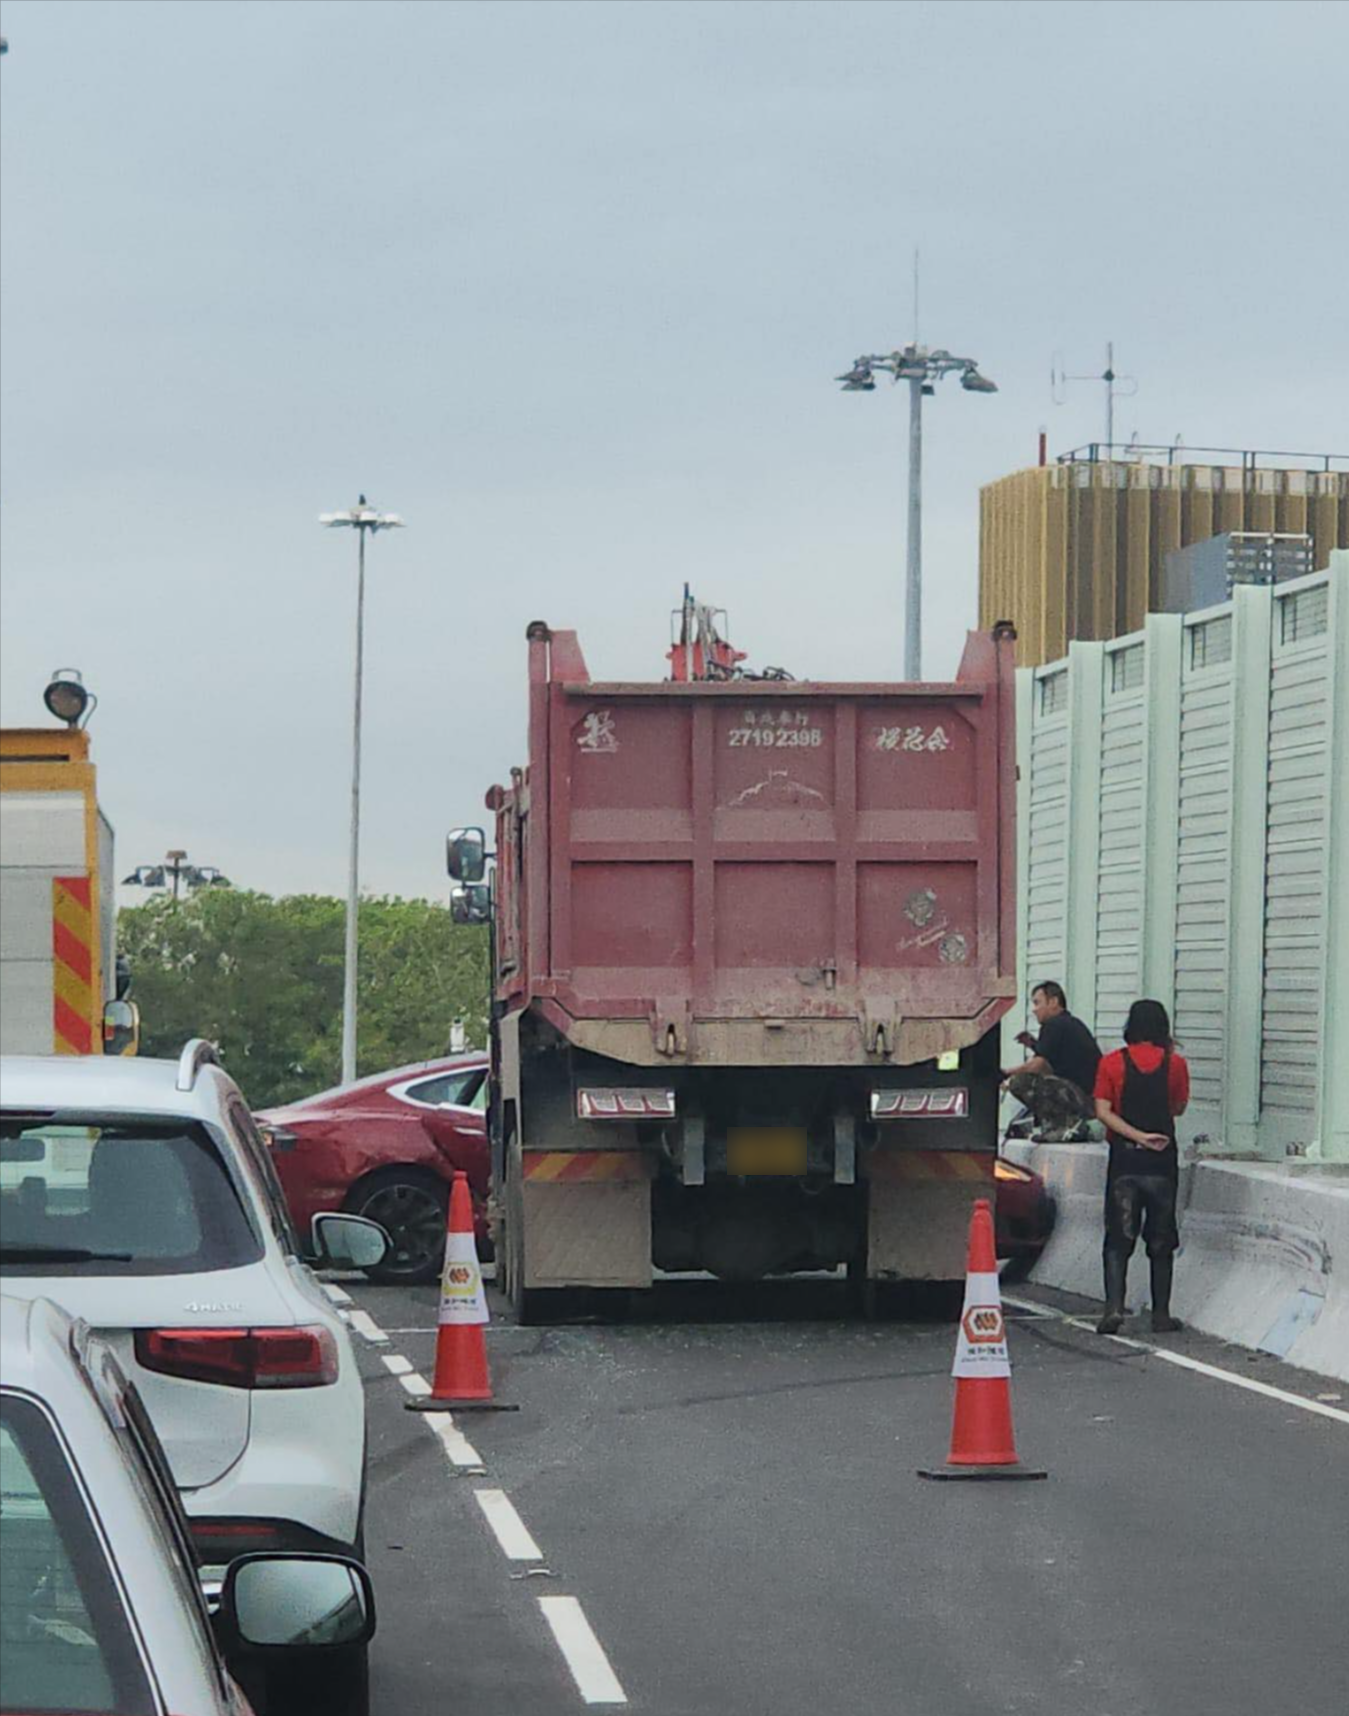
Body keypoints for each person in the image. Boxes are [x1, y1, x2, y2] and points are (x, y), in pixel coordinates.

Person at [1092, 998, 1190, 1335]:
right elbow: (1177, 1108)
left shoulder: (1110, 1064)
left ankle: (1113, 1309)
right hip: (1162, 1163)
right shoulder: (1176, 1064)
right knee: (1161, 1240)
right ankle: (1161, 1315)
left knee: (1118, 1239)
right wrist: (1152, 1138)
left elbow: (1103, 1111)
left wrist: (1135, 1136)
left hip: (1125, 1162)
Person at [1004, 981, 1102, 1139]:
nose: (1034, 1010)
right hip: (1091, 1099)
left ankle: (1064, 1125)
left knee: (1020, 1082)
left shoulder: (1053, 1025)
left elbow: (1038, 1065)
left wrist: (1005, 1074)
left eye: (1037, 1003)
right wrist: (1033, 1044)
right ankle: (1063, 1124)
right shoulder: (1069, 1023)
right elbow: (1054, 1060)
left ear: (1054, 1002)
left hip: (1082, 1100)